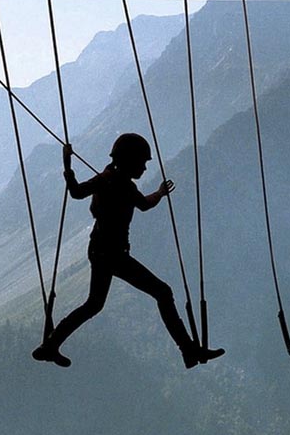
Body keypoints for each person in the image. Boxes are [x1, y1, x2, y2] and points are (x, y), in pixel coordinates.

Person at [32, 133, 224, 369]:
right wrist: (160, 194)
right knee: (162, 292)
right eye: (142, 162)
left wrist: (68, 166)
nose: (144, 167)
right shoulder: (117, 182)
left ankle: (50, 346)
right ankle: (188, 350)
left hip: (102, 250)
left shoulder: (112, 180)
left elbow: (78, 192)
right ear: (129, 160)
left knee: (94, 304)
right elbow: (142, 204)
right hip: (112, 253)